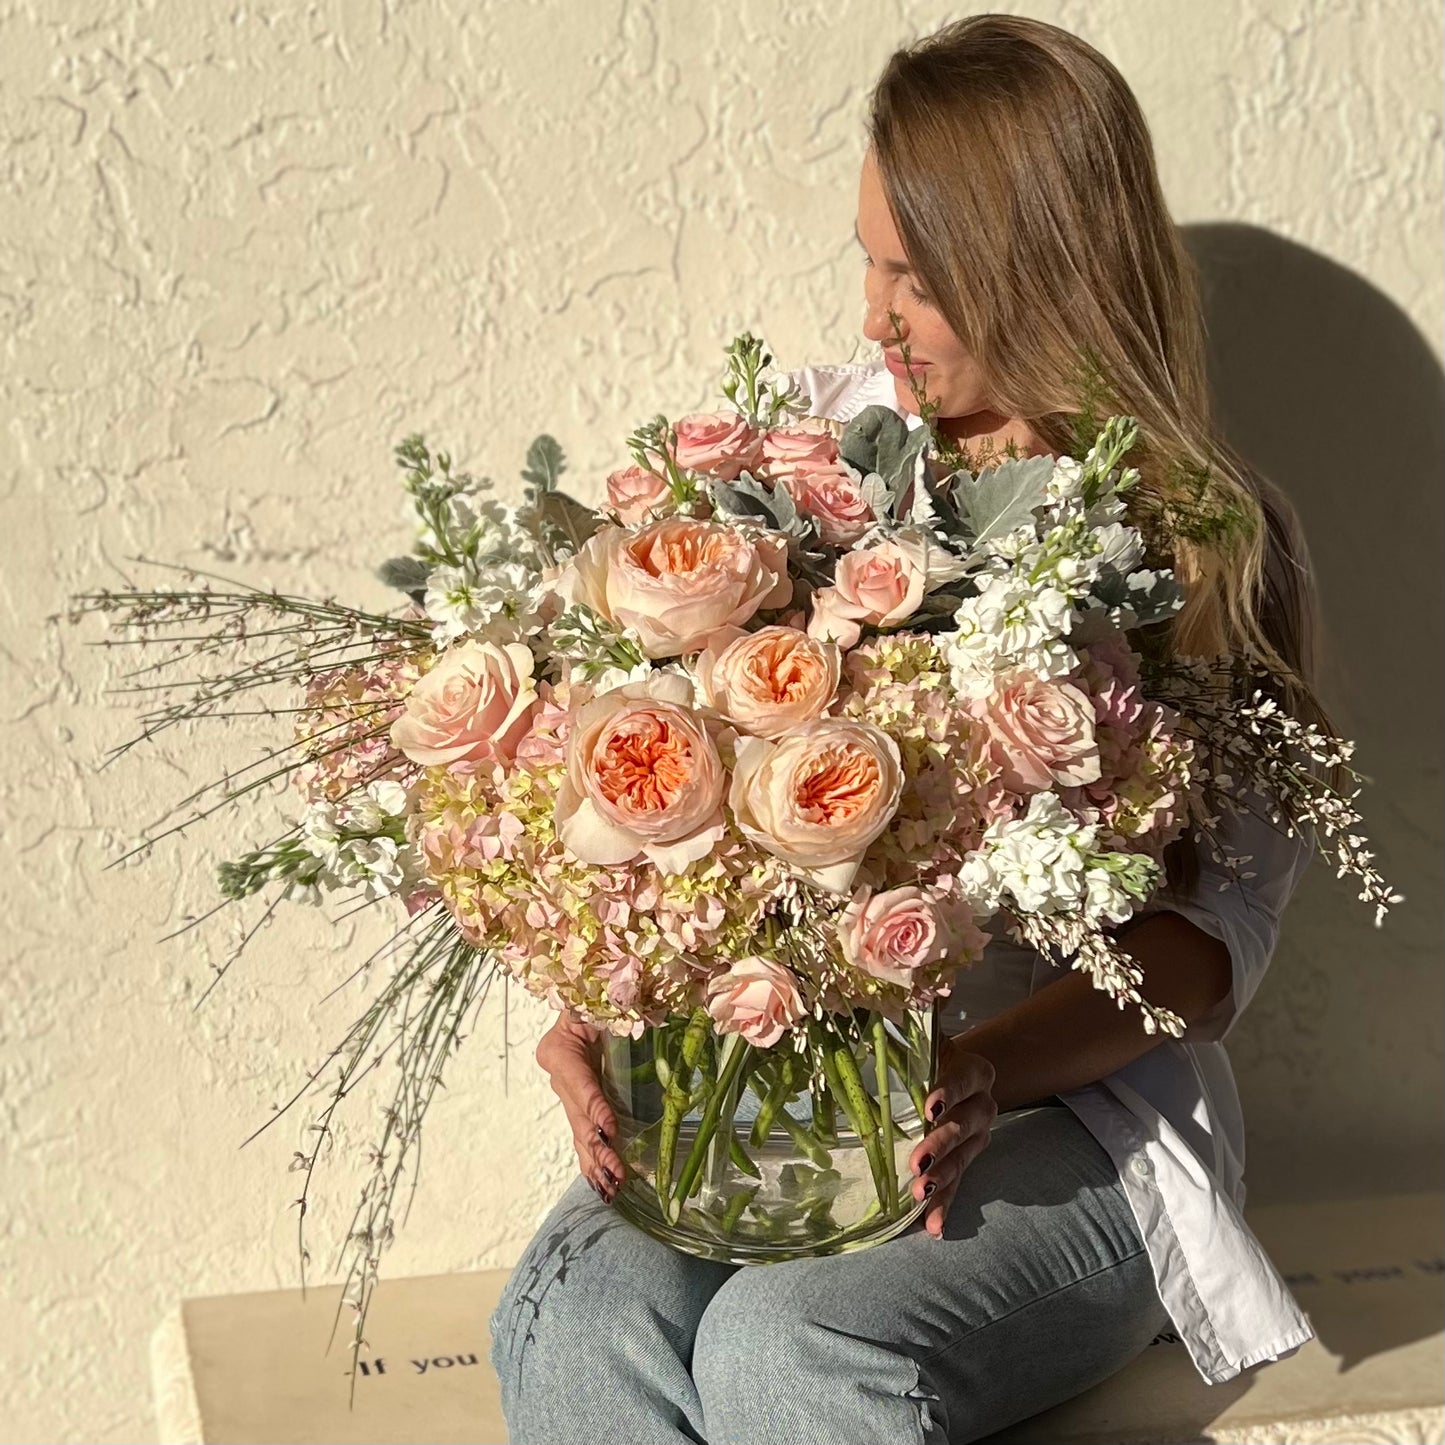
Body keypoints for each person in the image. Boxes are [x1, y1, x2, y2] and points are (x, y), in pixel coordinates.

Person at [489, 14, 1330, 1443]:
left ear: (1045, 271)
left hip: (1075, 1129)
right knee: (574, 1311)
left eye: (920, 278)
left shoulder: (1205, 544)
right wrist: (594, 1002)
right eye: (868, 258)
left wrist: (982, 1062)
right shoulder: (795, 471)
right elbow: (676, 795)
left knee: (791, 1347)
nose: (876, 315)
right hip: (775, 1107)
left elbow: (1208, 951)